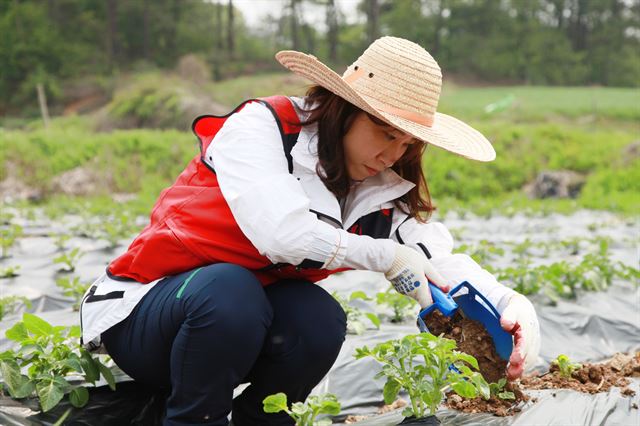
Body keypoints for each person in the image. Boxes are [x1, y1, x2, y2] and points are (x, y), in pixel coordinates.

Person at [80, 36, 540, 425]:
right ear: (344, 109)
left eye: (407, 143)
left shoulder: (377, 184)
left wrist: (507, 304)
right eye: (384, 133)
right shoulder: (263, 129)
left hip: (233, 330)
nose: (392, 155)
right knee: (229, 289)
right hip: (147, 318)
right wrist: (384, 257)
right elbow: (283, 234)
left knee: (319, 320)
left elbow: (431, 253)